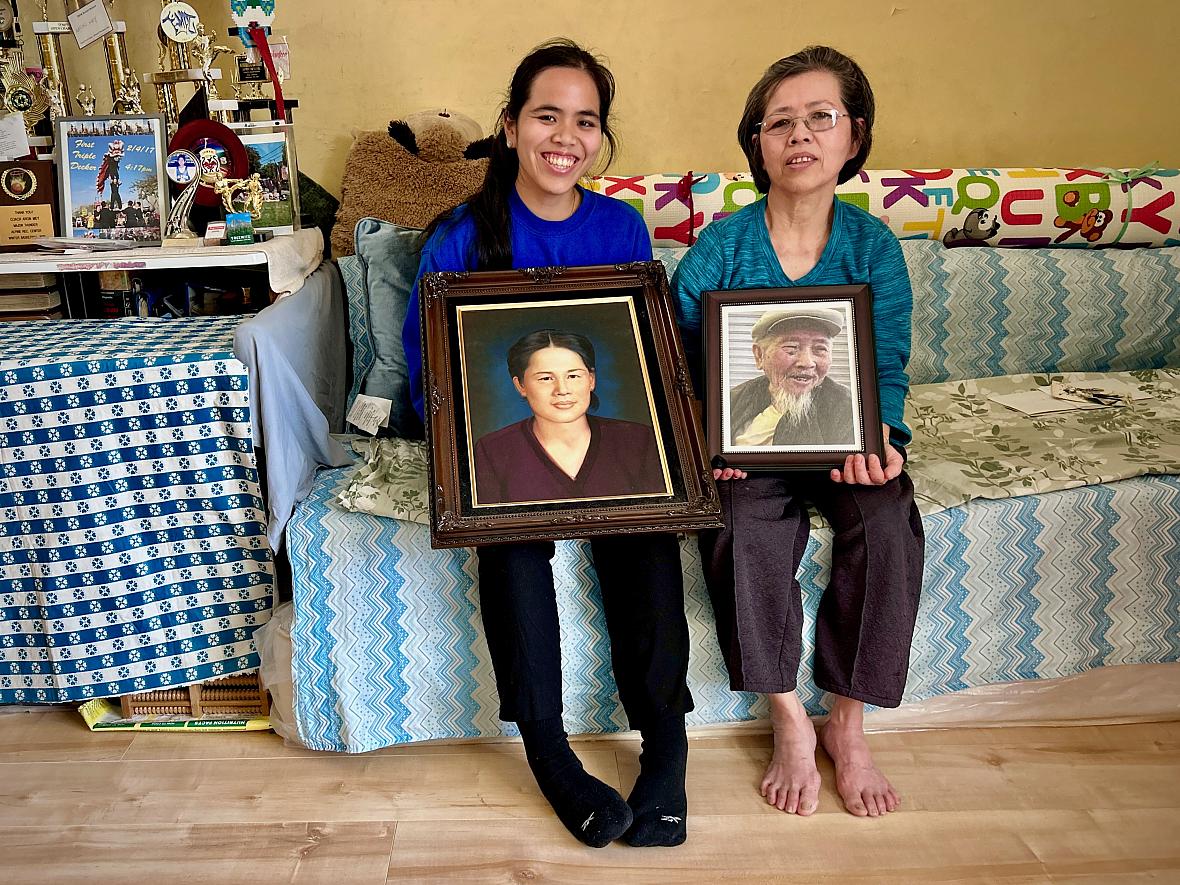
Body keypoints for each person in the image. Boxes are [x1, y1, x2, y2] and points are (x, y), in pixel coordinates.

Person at [402, 38, 693, 849]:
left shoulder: (620, 227)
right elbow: (430, 373)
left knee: (647, 531)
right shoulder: (461, 235)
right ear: (509, 126)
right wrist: (472, 454)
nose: (566, 136)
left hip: (602, 440)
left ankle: (666, 751)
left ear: (600, 138)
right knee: (512, 540)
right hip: (507, 447)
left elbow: (641, 360)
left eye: (586, 121)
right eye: (546, 115)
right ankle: (550, 753)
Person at [673, 45, 924, 819]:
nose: (799, 135)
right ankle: (787, 718)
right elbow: (685, 365)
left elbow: (885, 363)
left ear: (854, 136)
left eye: (821, 117)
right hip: (750, 447)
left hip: (847, 437)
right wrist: (712, 442)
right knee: (741, 525)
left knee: (889, 524)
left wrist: (882, 439)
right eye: (778, 122)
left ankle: (847, 724)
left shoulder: (872, 245)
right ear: (757, 144)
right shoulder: (721, 247)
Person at [473, 329, 666, 504]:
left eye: (573, 376)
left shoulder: (639, 440)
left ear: (591, 380)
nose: (562, 390)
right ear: (520, 385)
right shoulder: (492, 450)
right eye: (546, 378)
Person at [729, 306, 854, 447]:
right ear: (759, 355)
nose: (807, 363)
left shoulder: (849, 409)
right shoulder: (733, 400)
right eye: (791, 348)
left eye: (820, 349)